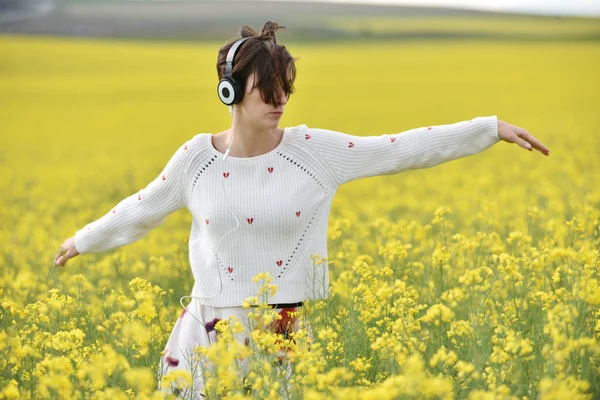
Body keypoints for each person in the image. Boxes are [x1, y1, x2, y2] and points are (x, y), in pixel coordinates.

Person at [53, 21, 550, 399]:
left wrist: (487, 129)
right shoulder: (196, 159)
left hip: (283, 331)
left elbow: (398, 149)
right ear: (231, 90)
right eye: (269, 88)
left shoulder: (312, 151)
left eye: (287, 87)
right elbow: (142, 208)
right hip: (206, 333)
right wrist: (83, 240)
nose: (281, 99)